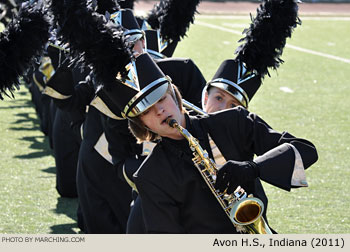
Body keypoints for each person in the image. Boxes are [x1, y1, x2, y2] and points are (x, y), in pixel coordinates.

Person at [118, 52, 318, 233]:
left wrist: (253, 167)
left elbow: (306, 150)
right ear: (142, 124)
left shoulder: (235, 122)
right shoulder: (149, 175)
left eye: (161, 99)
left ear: (174, 94)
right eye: (146, 111)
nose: (159, 110)